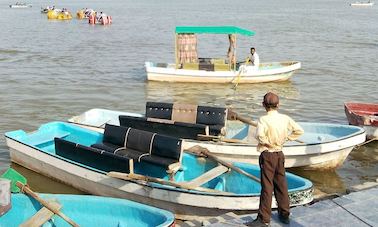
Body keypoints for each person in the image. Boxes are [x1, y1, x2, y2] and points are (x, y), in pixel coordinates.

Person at [245, 92, 304, 227]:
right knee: (281, 184)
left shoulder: (263, 120)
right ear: (278, 105)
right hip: (279, 154)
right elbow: (299, 130)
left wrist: (267, 143)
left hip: (268, 155)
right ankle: (284, 214)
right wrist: (287, 138)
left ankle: (263, 219)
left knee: (267, 186)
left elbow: (260, 136)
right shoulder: (285, 118)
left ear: (263, 105)